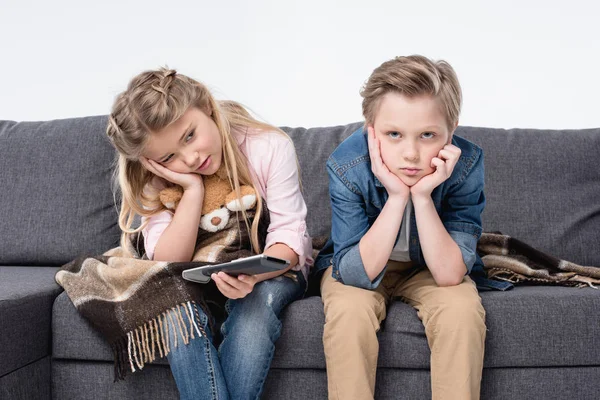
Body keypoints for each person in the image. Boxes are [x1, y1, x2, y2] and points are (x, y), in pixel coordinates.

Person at [106, 67, 312, 400]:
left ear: (207, 106)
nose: (191, 158)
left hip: (273, 267)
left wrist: (255, 277)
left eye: (190, 136)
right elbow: (169, 261)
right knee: (172, 311)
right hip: (197, 274)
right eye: (169, 157)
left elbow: (289, 235)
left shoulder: (268, 146)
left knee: (254, 314)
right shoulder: (156, 181)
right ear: (150, 162)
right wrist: (191, 190)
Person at [314, 55, 487, 400]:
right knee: (349, 314)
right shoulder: (348, 165)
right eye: (393, 134)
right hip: (362, 262)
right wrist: (396, 198)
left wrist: (422, 197)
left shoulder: (466, 164)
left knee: (462, 311)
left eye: (427, 135)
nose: (411, 153)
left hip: (430, 267)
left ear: (451, 132)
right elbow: (353, 272)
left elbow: (450, 274)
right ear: (371, 131)